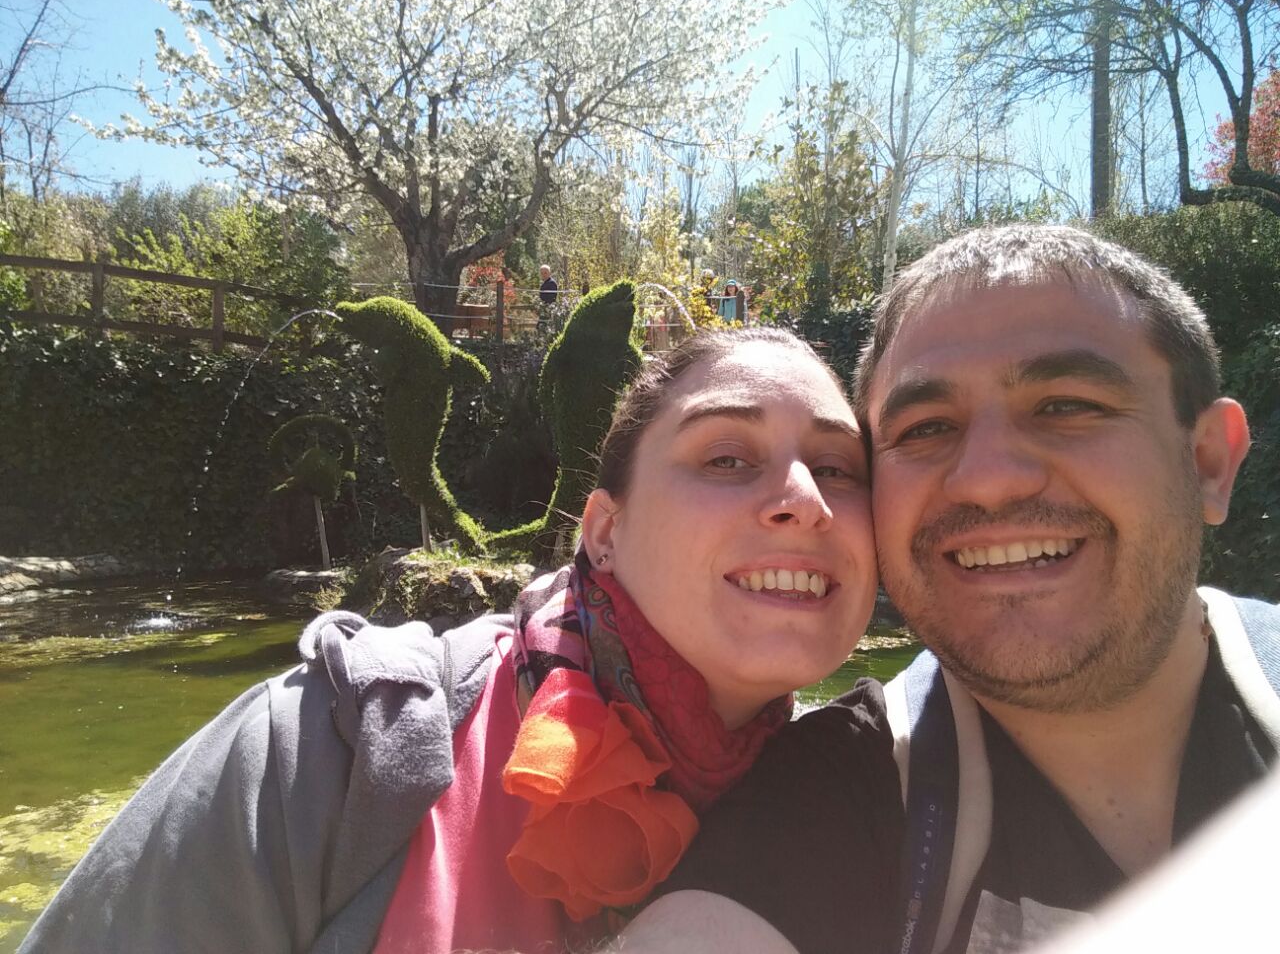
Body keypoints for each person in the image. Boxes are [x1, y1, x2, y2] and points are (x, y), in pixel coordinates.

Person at [20, 327, 879, 954]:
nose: (806, 499)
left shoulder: (872, 808)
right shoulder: (326, 747)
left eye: (839, 469)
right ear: (605, 531)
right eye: (727, 458)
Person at [611, 224, 1279, 954]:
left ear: (1208, 461)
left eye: (1066, 405)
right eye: (927, 427)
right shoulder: (836, 791)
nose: (988, 479)